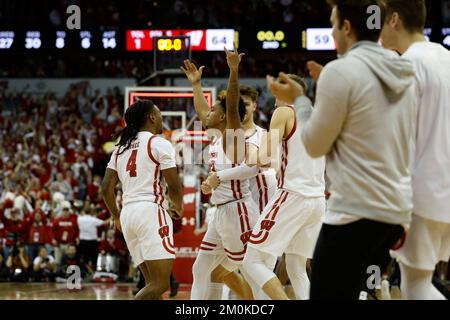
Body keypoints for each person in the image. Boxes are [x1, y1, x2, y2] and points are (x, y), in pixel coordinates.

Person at [266, 0, 417, 300]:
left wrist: (300, 100)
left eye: (334, 25)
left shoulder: (341, 70)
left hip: (355, 211)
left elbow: (314, 145)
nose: (332, 33)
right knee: (367, 290)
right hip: (397, 210)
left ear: (347, 27)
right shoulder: (404, 69)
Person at [380, 0, 450, 300]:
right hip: (443, 186)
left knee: (416, 285)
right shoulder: (445, 56)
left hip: (422, 191)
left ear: (394, 19)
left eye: (379, 20)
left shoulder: (406, 65)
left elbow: (398, 141)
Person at [236, 75, 326, 300]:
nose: (273, 94)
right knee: (296, 268)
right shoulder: (317, 115)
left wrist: (248, 154)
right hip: (317, 199)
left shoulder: (285, 111)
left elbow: (264, 154)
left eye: (278, 89)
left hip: (293, 195)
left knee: (251, 260)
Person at [181, 47, 259, 300]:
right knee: (202, 268)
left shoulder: (231, 138)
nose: (207, 115)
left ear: (225, 115)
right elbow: (202, 111)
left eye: (214, 111)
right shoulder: (215, 136)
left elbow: (233, 104)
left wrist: (233, 71)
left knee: (248, 271)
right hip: (221, 212)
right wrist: (196, 85)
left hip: (239, 212)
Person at [102, 100, 183, 300]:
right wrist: (178, 206)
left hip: (128, 215)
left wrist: (116, 216)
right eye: (159, 113)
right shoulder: (159, 143)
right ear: (152, 117)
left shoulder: (121, 148)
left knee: (151, 284)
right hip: (150, 211)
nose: (162, 117)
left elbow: (106, 187)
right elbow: (173, 184)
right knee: (161, 284)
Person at [77, 206, 111, 271]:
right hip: (92, 241)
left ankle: (85, 273)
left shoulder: (79, 219)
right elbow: (104, 222)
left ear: (83, 212)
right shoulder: (93, 219)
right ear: (91, 212)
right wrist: (112, 217)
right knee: (94, 258)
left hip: (83, 241)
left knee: (85, 258)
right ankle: (94, 272)